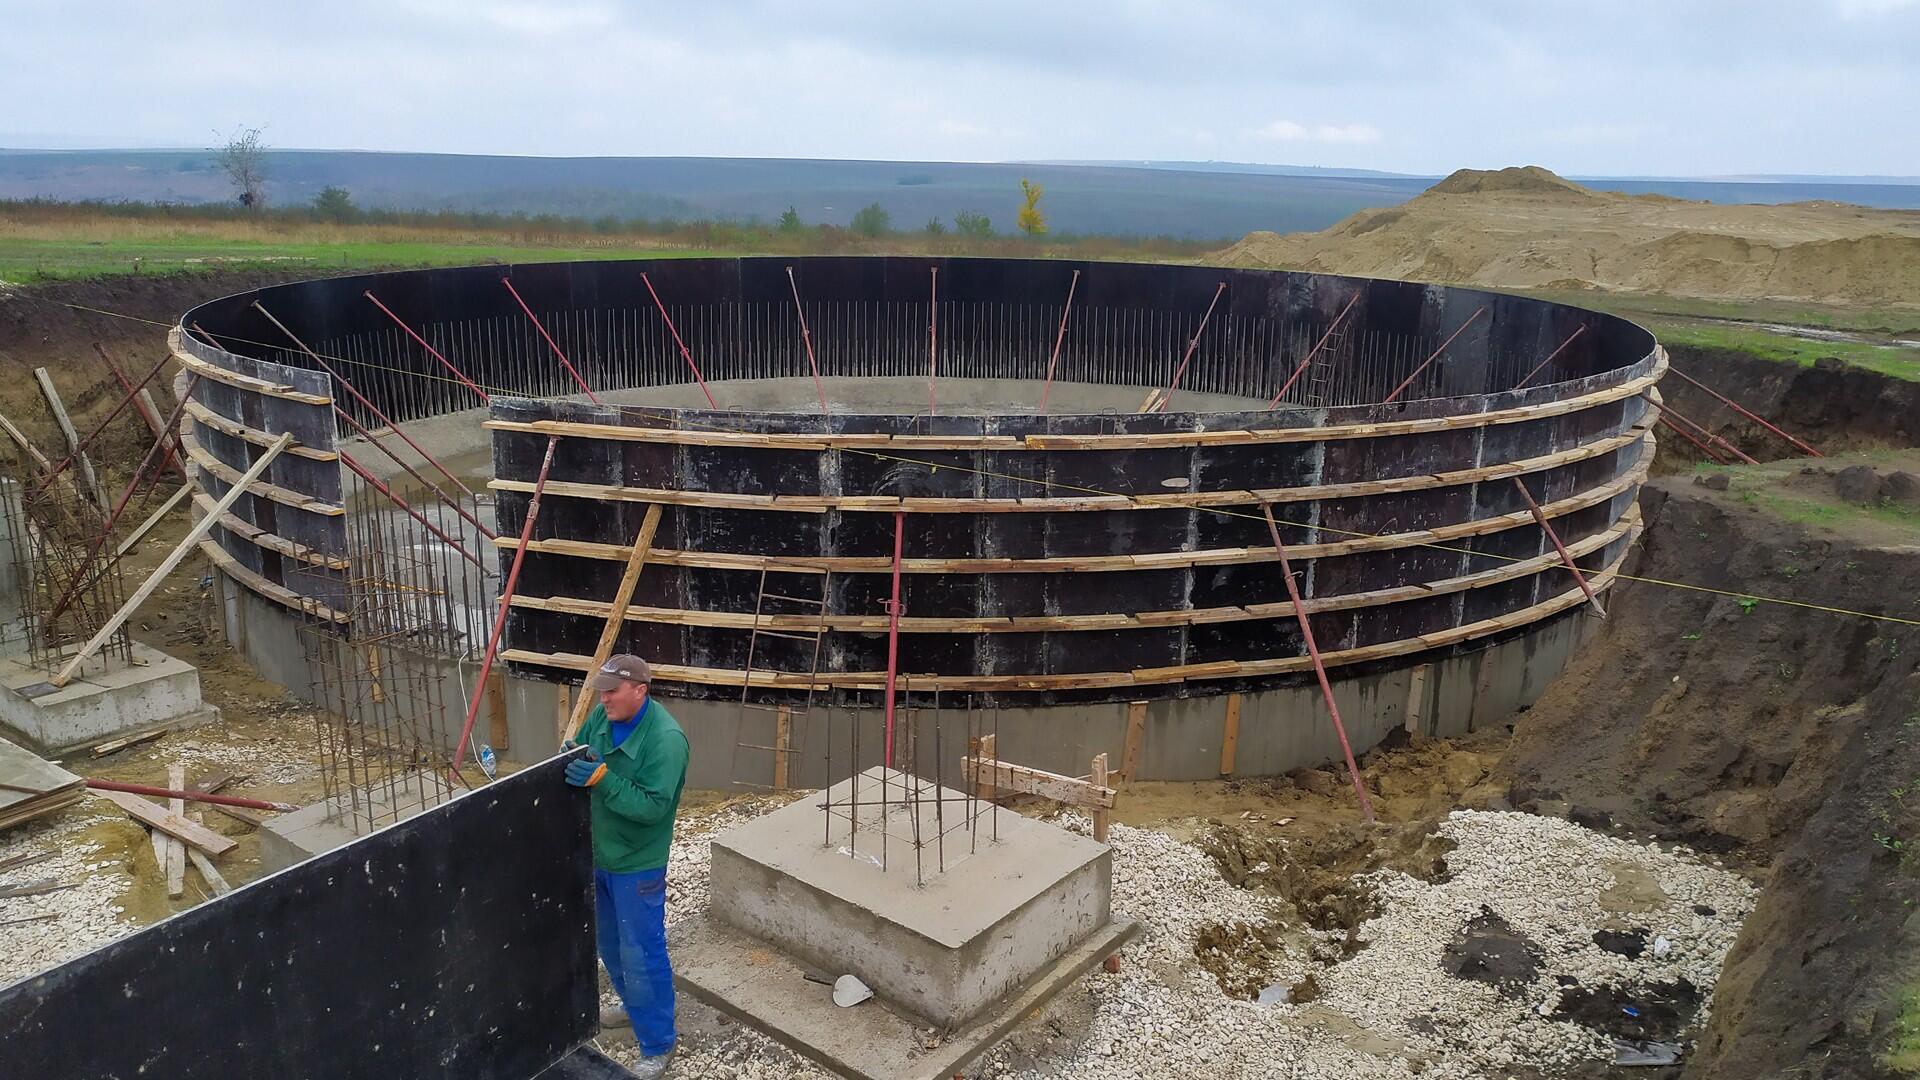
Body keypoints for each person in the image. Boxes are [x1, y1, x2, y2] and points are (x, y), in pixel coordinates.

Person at [564, 654, 688, 1077]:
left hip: (637, 863)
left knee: (642, 952)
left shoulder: (666, 740)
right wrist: (572, 760)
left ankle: (658, 1043)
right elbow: (583, 748)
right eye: (601, 690)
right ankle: (634, 1005)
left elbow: (654, 807)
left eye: (612, 691)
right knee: (609, 946)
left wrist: (603, 778)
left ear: (640, 690)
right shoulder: (602, 718)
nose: (603, 698)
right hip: (598, 853)